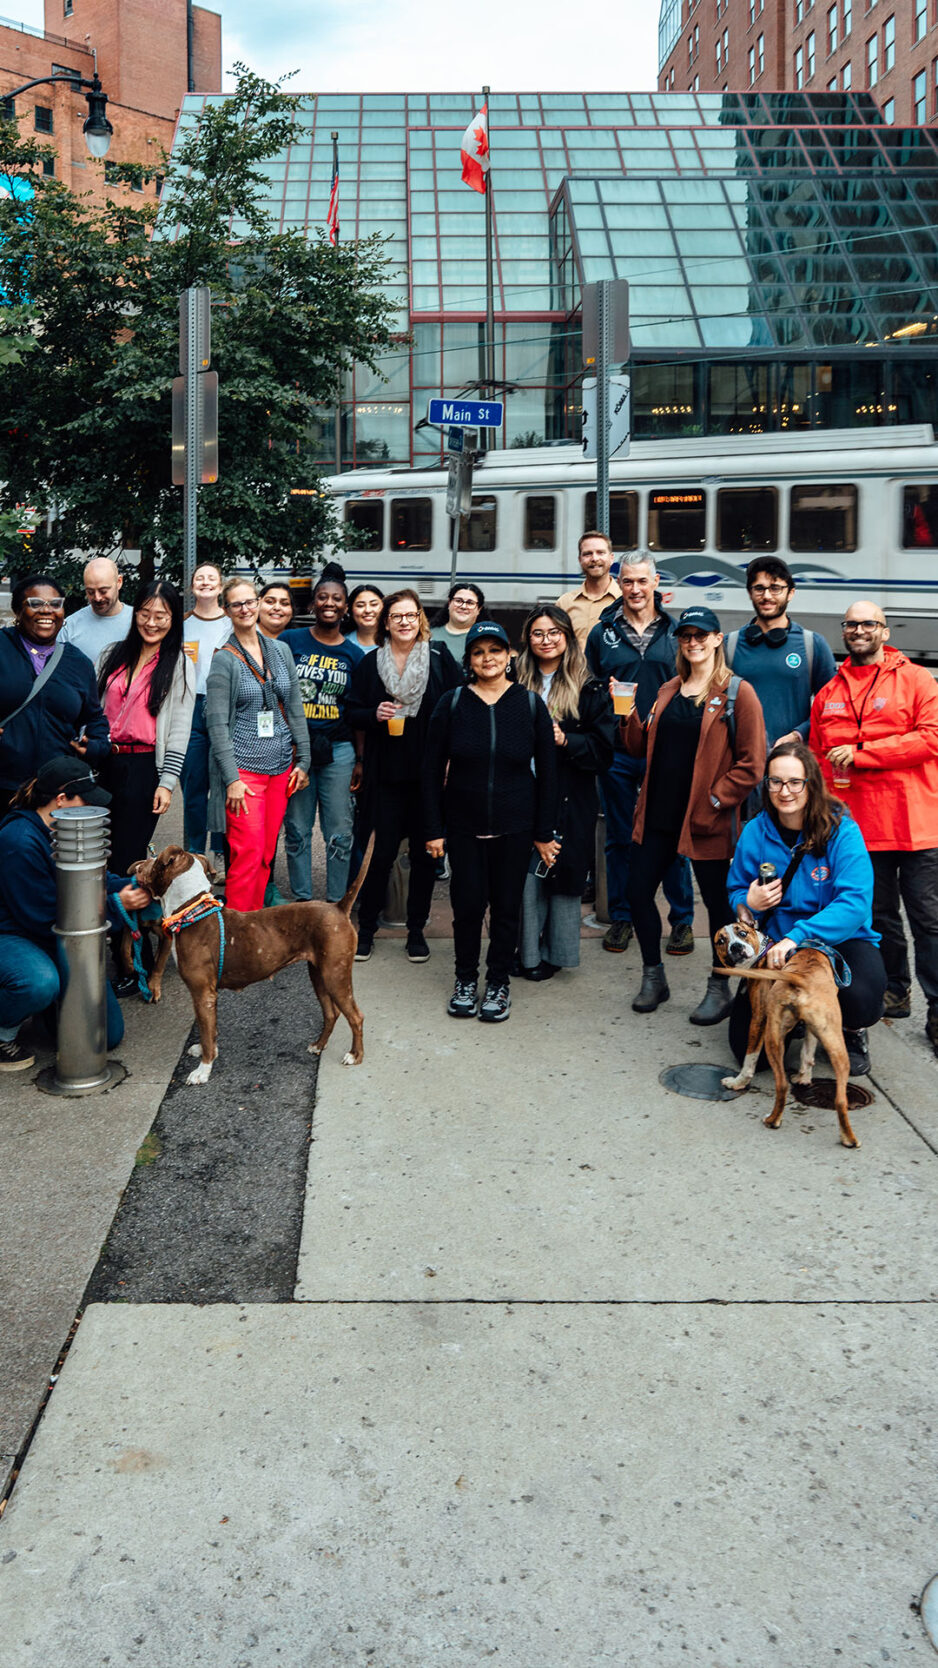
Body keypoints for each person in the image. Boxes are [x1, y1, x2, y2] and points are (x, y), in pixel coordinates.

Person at [623, 605, 765, 1023]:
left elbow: (752, 763)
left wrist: (716, 800)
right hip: (659, 815)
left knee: (719, 907)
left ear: (718, 639)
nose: (694, 642)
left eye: (702, 635)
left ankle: (719, 987)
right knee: (636, 893)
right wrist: (627, 715)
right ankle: (654, 977)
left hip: (706, 820)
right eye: (686, 635)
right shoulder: (668, 690)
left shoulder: (739, 693)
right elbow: (640, 747)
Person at [809, 600, 938, 1056]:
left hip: (917, 824)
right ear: (843, 632)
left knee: (929, 921)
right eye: (851, 624)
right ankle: (895, 992)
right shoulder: (831, 690)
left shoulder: (917, 679)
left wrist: (865, 752)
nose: (859, 630)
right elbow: (819, 755)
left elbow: (931, 737)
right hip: (861, 828)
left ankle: (937, 1011)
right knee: (879, 918)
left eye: (868, 624)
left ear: (884, 630)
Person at [424, 619, 558, 1023]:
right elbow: (430, 771)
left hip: (515, 827)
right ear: (469, 659)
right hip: (463, 826)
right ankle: (465, 979)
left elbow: (549, 773)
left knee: (506, 909)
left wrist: (543, 833)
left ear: (510, 656)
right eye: (479, 652)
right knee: (466, 908)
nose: (488, 658)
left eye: (495, 650)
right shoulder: (451, 703)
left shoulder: (530, 704)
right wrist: (433, 829)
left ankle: (498, 982)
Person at [727, 741, 886, 1077]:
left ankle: (851, 1030)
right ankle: (797, 1016)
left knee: (861, 999)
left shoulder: (841, 829)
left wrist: (799, 936)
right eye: (775, 781)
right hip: (777, 943)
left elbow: (855, 903)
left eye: (794, 782)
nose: (785, 791)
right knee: (745, 1047)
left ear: (811, 783)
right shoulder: (755, 831)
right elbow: (736, 887)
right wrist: (747, 903)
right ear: (766, 783)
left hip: (840, 940)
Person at [0, 757, 151, 1069]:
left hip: (55, 931)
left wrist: (143, 882)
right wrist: (116, 905)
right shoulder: (18, 841)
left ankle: (47, 1009)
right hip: (15, 934)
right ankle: (4, 1030)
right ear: (61, 800)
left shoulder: (69, 827)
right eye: (86, 800)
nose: (94, 809)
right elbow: (42, 917)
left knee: (107, 1035)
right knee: (39, 982)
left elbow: (96, 880)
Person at [584, 551, 695, 957]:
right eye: (627, 581)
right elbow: (591, 688)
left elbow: (693, 684)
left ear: (655, 584)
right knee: (618, 837)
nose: (634, 589)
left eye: (641, 581)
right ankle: (622, 916)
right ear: (620, 584)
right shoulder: (603, 632)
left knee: (670, 836)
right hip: (617, 752)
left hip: (666, 752)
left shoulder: (679, 631)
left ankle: (681, 920)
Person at [348, 589, 462, 963]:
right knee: (379, 855)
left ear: (420, 619)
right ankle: (366, 928)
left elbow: (461, 707)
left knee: (424, 856)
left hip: (429, 776)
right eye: (396, 616)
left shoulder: (440, 660)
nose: (404, 622)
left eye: (411, 615)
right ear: (386, 622)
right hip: (385, 775)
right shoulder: (369, 664)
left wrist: (451, 760)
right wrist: (372, 715)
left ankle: (417, 930)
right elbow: (350, 710)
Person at [514, 605, 615, 979]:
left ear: (568, 638)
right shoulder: (513, 677)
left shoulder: (589, 685)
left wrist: (565, 740)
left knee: (562, 872)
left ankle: (557, 953)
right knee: (524, 875)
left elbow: (604, 751)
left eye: (554, 632)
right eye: (538, 633)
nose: (546, 640)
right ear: (528, 638)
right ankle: (526, 954)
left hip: (571, 793)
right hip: (522, 790)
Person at [205, 578, 310, 912]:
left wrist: (304, 759)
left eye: (251, 601)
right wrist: (231, 779)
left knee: (265, 855)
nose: (246, 609)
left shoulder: (279, 650)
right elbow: (216, 725)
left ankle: (255, 929)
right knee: (246, 856)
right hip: (244, 773)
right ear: (227, 611)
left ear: (260, 603)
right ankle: (236, 936)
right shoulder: (225, 660)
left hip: (280, 768)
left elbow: (294, 706)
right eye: (237, 604)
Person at [97, 580, 196, 876]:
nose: (151, 623)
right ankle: (96, 917)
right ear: (134, 614)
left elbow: (180, 730)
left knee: (127, 854)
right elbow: (92, 707)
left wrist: (166, 783)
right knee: (96, 847)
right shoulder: (111, 655)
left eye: (161, 616)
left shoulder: (179, 664)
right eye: (144, 613)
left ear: (173, 619)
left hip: (143, 767)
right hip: (102, 761)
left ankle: (124, 920)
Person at [281, 563, 362, 903]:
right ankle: (301, 901)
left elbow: (357, 711)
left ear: (346, 607)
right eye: (323, 597)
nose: (330, 603)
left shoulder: (354, 654)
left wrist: (361, 759)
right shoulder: (289, 641)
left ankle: (335, 905)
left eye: (337, 599)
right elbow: (277, 694)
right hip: (296, 750)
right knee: (297, 830)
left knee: (340, 833)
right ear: (313, 604)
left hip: (339, 751)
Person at [0, 573, 111, 817]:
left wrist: (95, 746)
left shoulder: (77, 662)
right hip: (4, 784)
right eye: (36, 604)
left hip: (56, 793)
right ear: (18, 611)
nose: (47, 611)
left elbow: (94, 717)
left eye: (55, 604)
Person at [723, 555, 836, 753]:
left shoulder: (812, 645)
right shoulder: (728, 645)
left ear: (790, 593)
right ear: (750, 593)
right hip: (740, 760)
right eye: (759, 588)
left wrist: (799, 734)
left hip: (791, 760)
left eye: (775, 588)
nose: (767, 596)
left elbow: (832, 705)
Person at [179, 563, 230, 870]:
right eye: (200, 578)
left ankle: (222, 853)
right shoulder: (182, 624)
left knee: (224, 785)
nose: (206, 582)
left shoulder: (231, 624)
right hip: (191, 707)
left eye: (212, 578)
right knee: (194, 787)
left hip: (223, 707)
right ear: (192, 587)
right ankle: (195, 855)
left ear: (221, 587)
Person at [556, 529, 620, 651]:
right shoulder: (564, 603)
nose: (594, 558)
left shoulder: (625, 600)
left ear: (611, 558)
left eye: (600, 552)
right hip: (575, 670)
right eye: (587, 554)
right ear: (580, 560)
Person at [59, 557, 131, 662]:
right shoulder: (69, 626)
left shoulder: (140, 622)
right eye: (90, 592)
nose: (97, 598)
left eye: (103, 591)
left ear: (119, 582)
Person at [429, 583, 486, 663]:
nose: (463, 606)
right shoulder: (428, 634)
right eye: (458, 601)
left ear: (479, 609)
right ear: (449, 603)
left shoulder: (484, 637)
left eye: (470, 603)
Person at [344, 583, 384, 654]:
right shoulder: (343, 642)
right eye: (360, 606)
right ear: (350, 610)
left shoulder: (394, 641)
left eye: (374, 604)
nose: (367, 610)